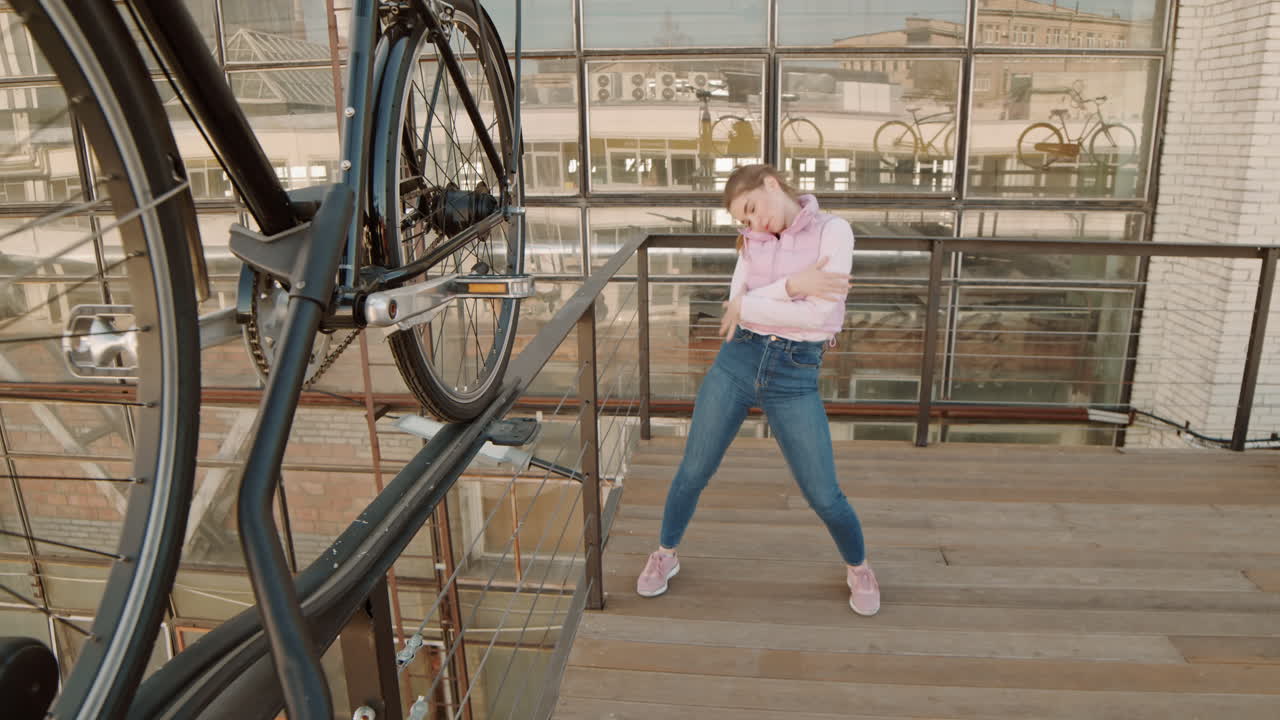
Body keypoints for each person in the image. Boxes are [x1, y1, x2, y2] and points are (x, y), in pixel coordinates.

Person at [635, 163, 880, 616]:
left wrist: (757, 300)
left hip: (794, 376)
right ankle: (665, 553)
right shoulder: (752, 242)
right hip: (736, 363)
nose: (753, 224)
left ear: (772, 184)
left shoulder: (834, 231)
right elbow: (736, 310)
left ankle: (859, 566)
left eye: (751, 210)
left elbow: (819, 317)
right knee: (693, 470)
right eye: (743, 221)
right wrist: (792, 287)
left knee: (824, 493)